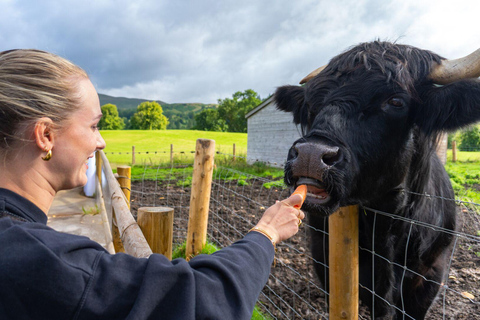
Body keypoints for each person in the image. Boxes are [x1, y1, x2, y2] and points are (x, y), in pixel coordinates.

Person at [0, 49, 305, 319]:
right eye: (93, 126)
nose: (101, 141)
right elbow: (206, 299)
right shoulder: (38, 261)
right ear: (45, 136)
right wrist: (267, 231)